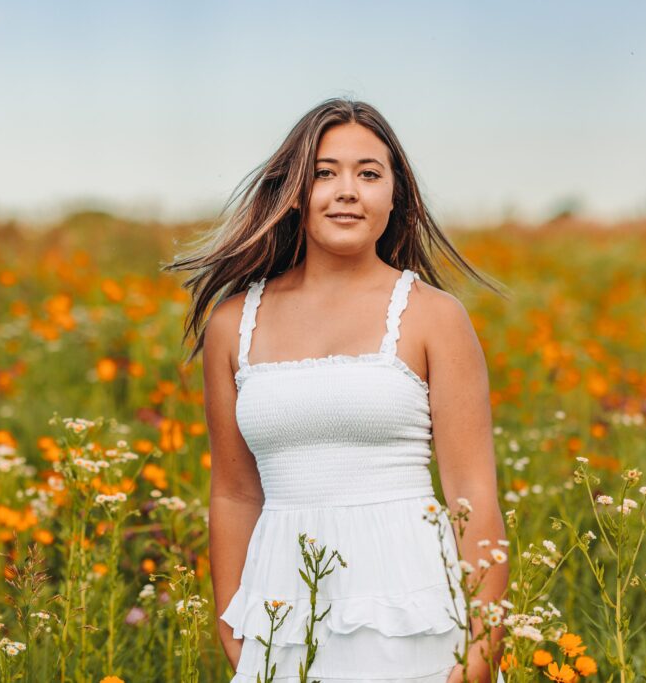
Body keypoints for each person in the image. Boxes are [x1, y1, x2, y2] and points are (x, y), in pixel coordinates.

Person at [164, 97, 510, 682]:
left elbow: (471, 491)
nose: (347, 190)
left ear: (395, 195)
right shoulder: (233, 323)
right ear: (296, 191)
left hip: (417, 614)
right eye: (325, 172)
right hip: (284, 617)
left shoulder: (433, 316)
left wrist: (479, 653)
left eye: (369, 173)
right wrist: (234, 628)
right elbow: (234, 493)